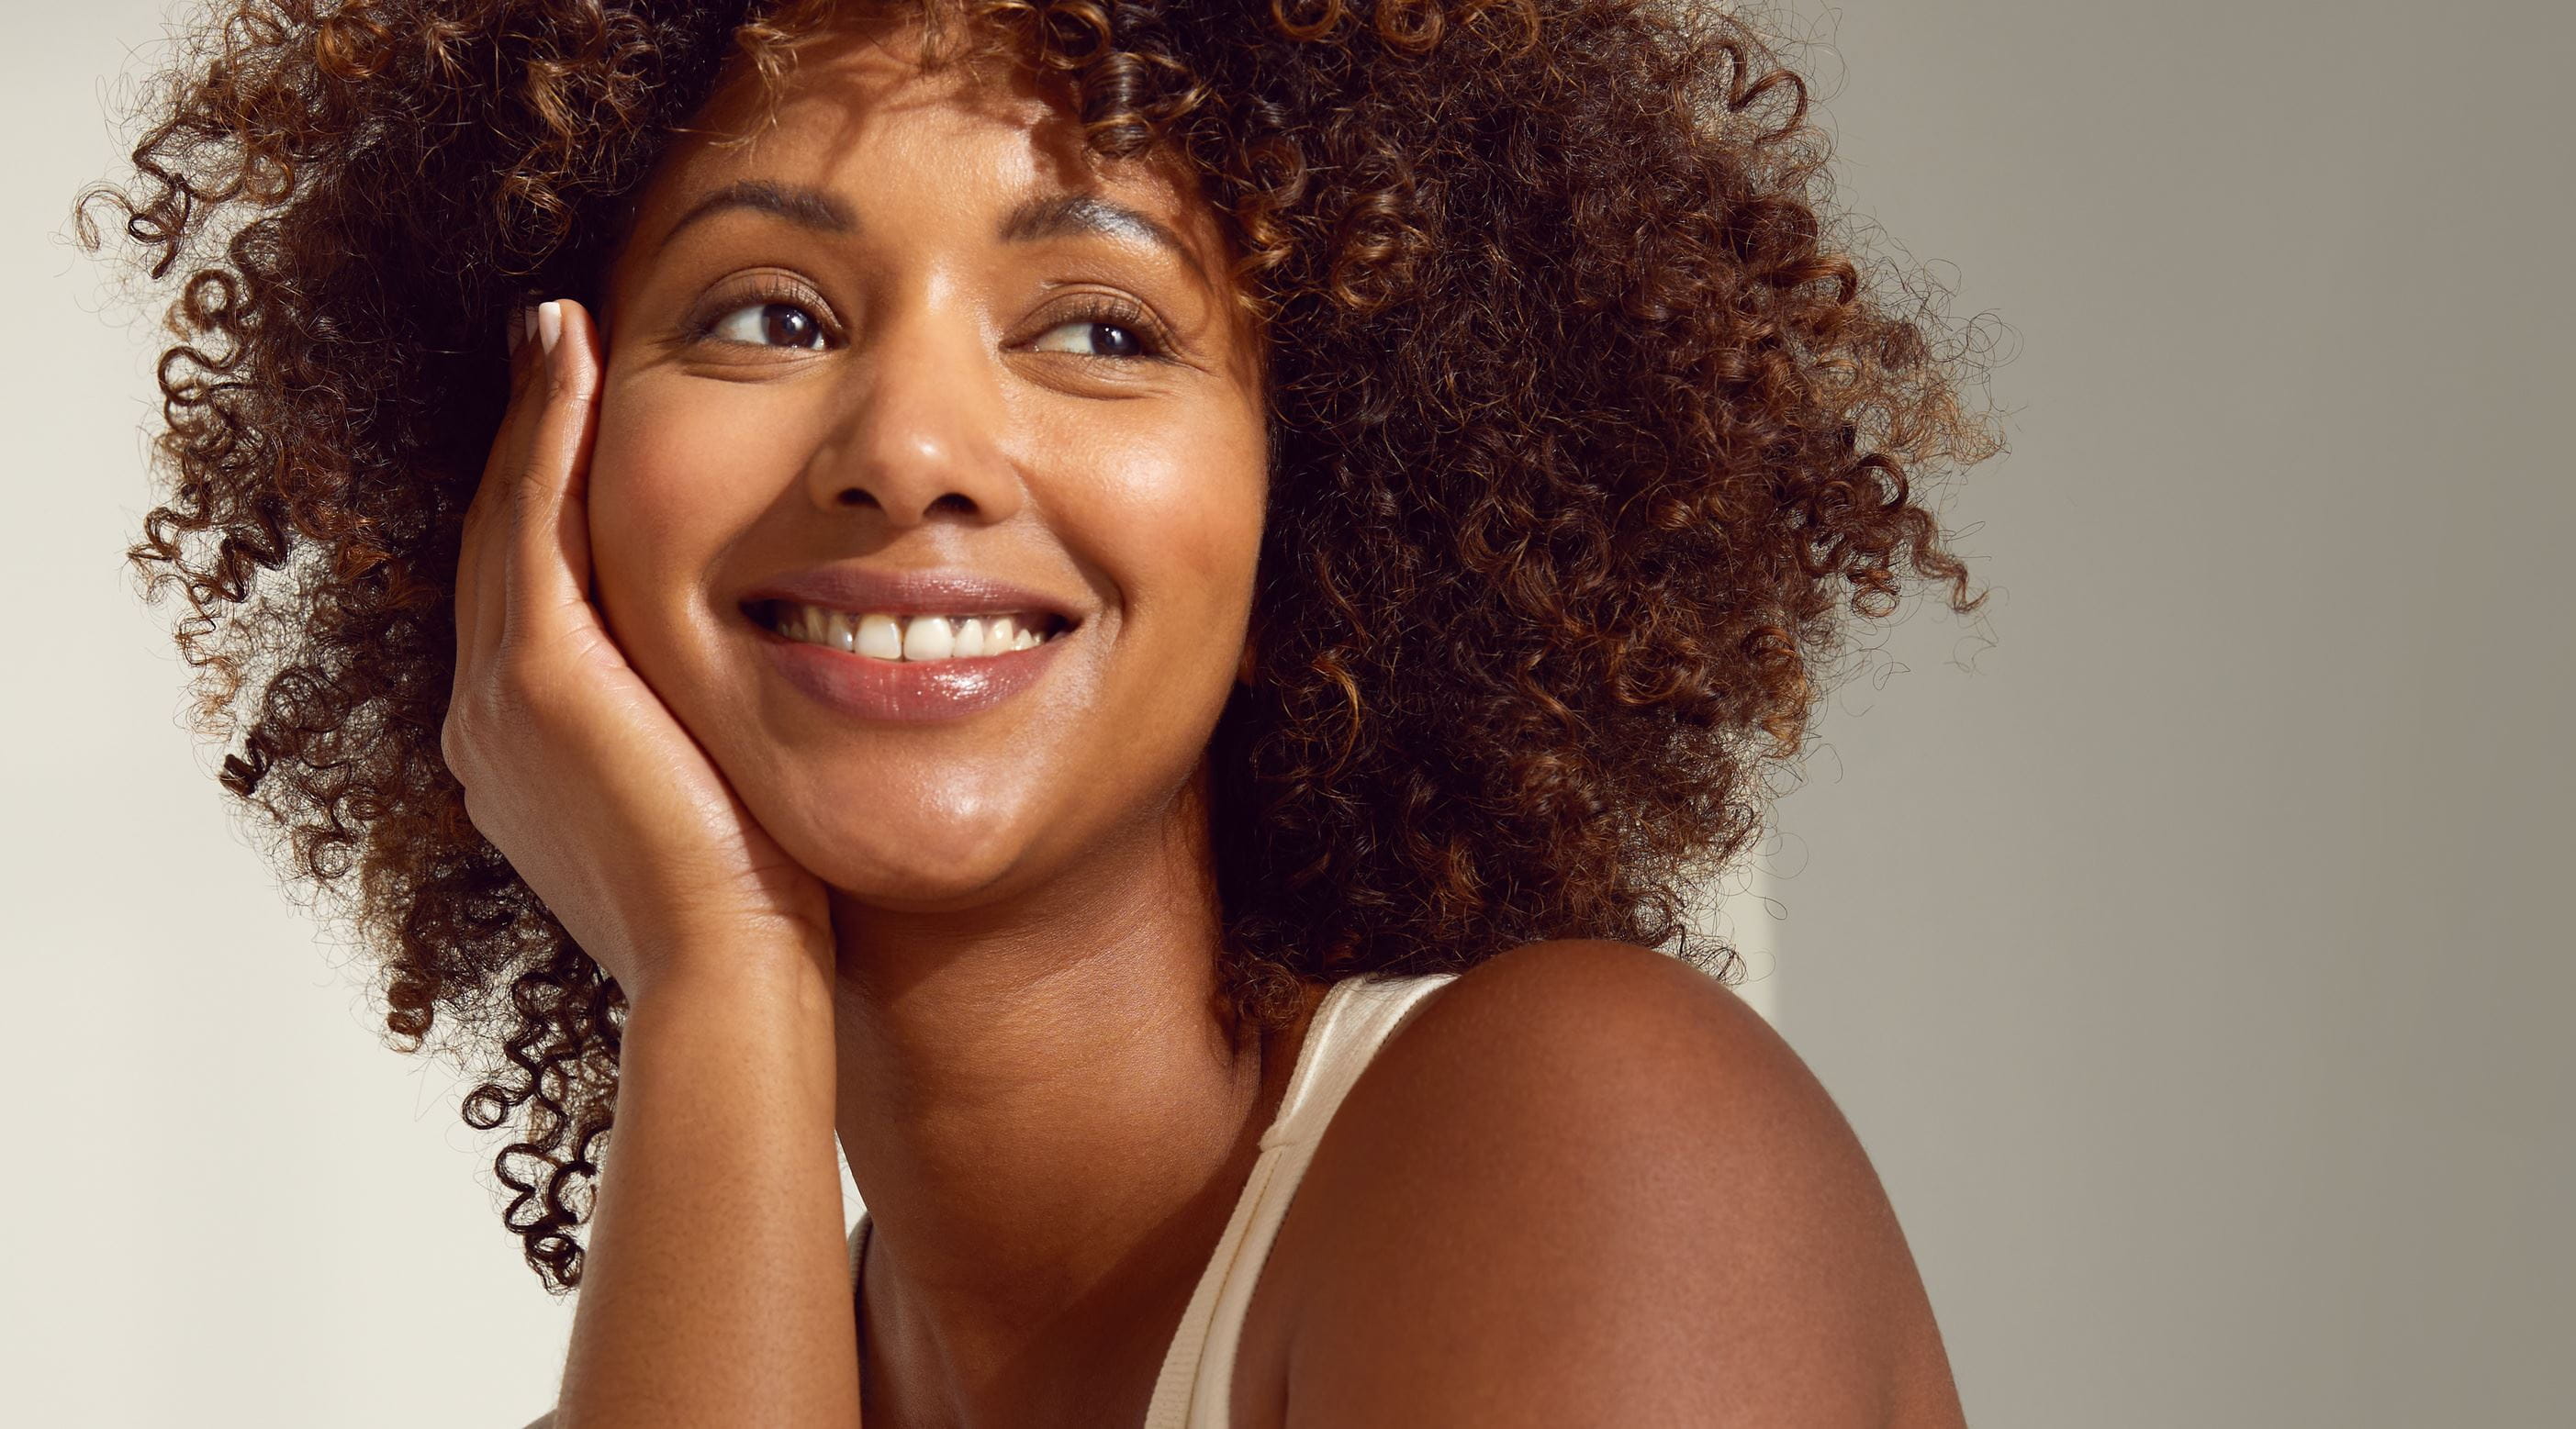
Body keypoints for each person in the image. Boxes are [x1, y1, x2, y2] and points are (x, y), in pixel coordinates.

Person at [85, 0, 2002, 1423]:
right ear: (532, 467)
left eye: (1100, 326)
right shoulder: (712, 1354)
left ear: (1311, 478)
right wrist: (722, 968)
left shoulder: (1584, 1142)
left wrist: (722, 970)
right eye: (766, 311)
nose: (912, 446)